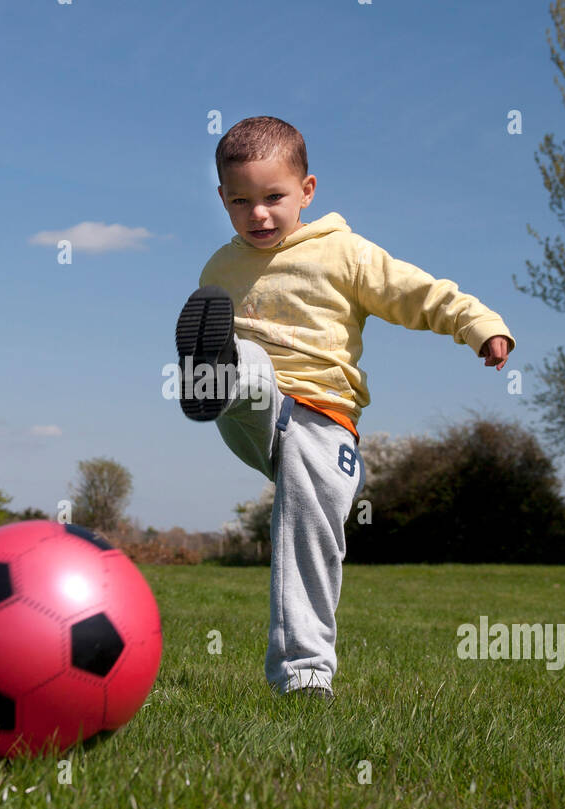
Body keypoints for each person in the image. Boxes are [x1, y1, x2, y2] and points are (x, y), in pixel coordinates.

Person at [175, 116, 515, 702]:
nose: (258, 214)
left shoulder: (344, 253)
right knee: (246, 360)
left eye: (273, 198)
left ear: (307, 191)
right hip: (255, 406)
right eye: (241, 201)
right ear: (222, 200)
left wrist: (476, 324)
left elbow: (417, 292)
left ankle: (305, 675)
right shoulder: (220, 270)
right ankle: (214, 375)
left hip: (324, 419)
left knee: (310, 533)